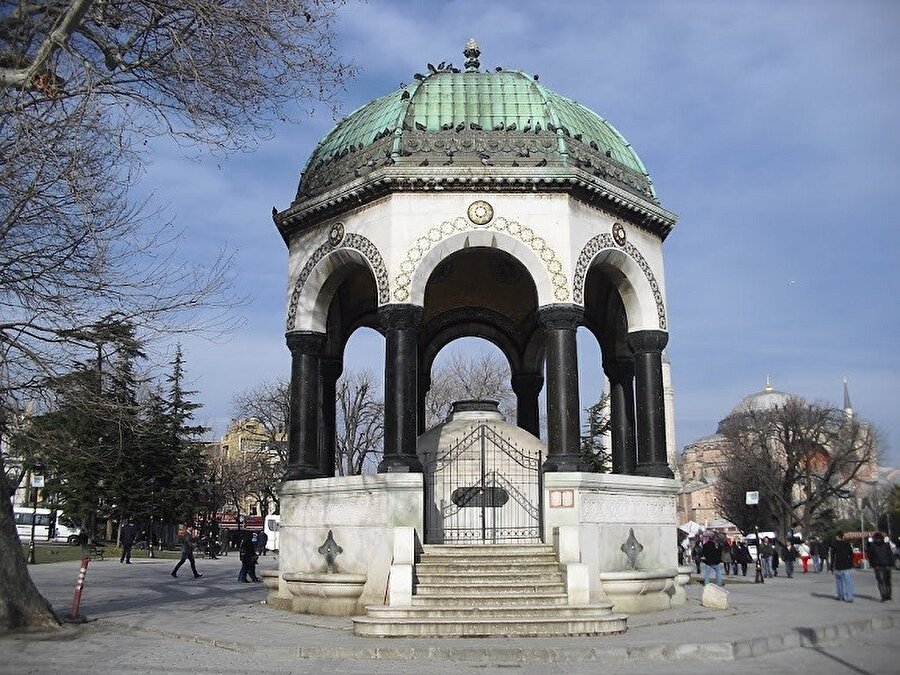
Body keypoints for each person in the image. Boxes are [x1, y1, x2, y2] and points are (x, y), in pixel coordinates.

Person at [867, 531, 893, 602]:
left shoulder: (872, 545)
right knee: (887, 581)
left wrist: (871, 563)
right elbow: (890, 554)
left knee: (880, 582)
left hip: (877, 566)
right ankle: (888, 595)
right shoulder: (886, 545)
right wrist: (891, 563)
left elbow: (869, 555)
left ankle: (883, 596)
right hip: (887, 565)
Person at [831, 531, 854, 602]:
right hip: (846, 565)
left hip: (838, 565)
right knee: (848, 582)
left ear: (837, 537)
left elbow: (832, 556)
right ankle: (849, 596)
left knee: (839, 581)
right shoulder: (847, 544)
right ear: (842, 537)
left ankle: (840, 595)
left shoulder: (834, 545)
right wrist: (850, 563)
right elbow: (851, 554)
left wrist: (831, 566)